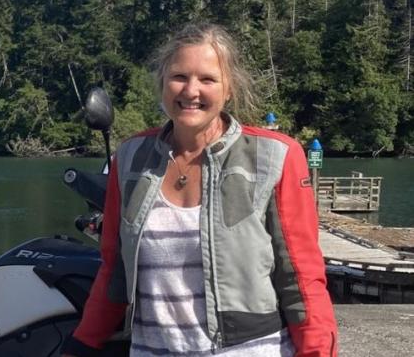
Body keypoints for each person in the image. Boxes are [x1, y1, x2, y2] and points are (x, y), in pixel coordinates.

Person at [62, 23, 337, 356]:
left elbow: (301, 277)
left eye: (207, 79)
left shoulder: (275, 157)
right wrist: (83, 342)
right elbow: (114, 268)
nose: (191, 91)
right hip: (153, 349)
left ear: (229, 88)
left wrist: (319, 351)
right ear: (162, 82)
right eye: (179, 76)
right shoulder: (131, 157)